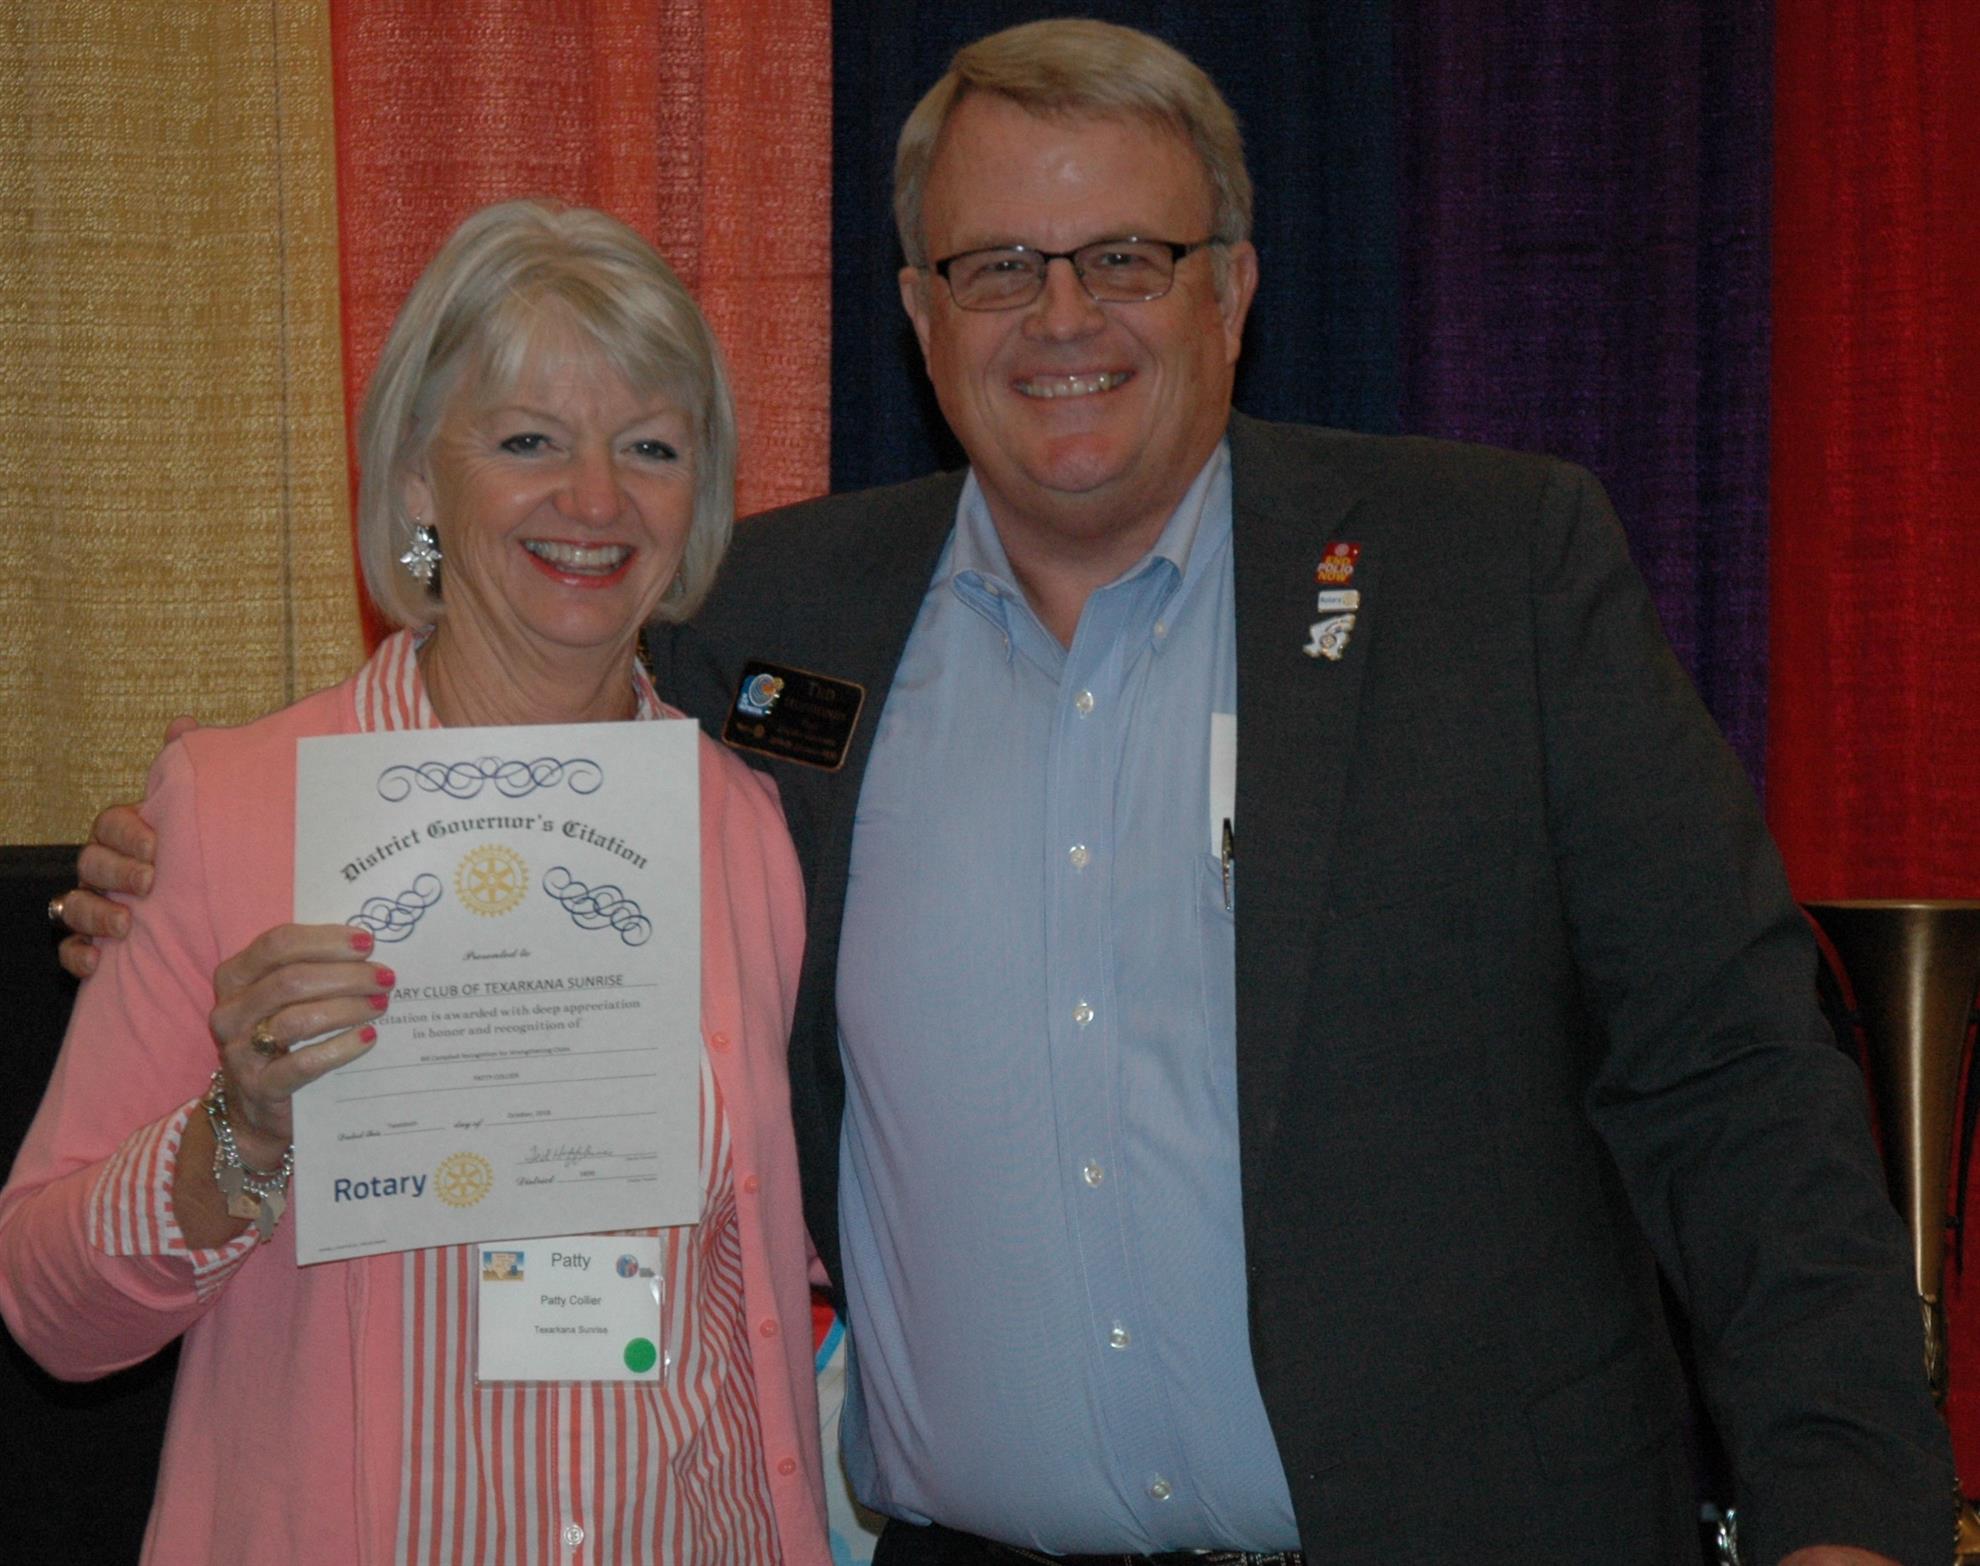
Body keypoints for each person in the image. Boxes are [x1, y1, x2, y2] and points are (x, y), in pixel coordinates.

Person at [52, 21, 1952, 1566]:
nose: (1063, 314)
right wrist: (191, 872)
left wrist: (1849, 1511)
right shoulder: (780, 637)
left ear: (1235, 287)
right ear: (917, 306)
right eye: (996, 265)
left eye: (1127, 255)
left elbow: (1738, 1079)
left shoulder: (1492, 574)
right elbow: (512, 712)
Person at [9, 199, 829, 1564]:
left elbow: (772, 1256)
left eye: (651, 445)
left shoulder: (742, 824)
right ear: (415, 488)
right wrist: (242, 1131)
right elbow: (50, 1311)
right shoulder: (234, 809)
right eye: (527, 441)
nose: (596, 499)